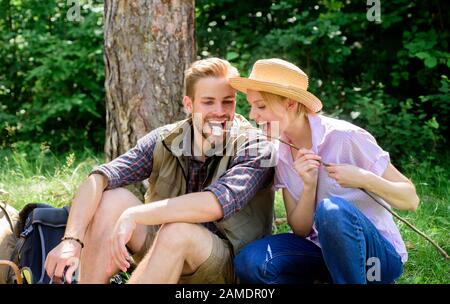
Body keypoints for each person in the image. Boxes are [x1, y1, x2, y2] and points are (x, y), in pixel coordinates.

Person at [44, 58, 275, 284]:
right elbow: (99, 178)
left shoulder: (255, 146)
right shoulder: (165, 140)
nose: (219, 111)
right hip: (161, 249)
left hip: (226, 263)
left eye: (228, 102)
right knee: (111, 199)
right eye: (208, 102)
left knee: (178, 231)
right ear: (189, 104)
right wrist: (71, 241)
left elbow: (216, 203)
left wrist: (134, 215)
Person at [230, 58, 420, 284]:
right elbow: (300, 230)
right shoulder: (280, 151)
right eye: (251, 106)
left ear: (290, 103)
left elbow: (410, 199)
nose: (253, 115)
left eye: (260, 106)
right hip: (320, 253)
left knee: (332, 211)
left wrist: (364, 178)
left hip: (375, 259)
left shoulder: (345, 137)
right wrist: (308, 185)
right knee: (251, 262)